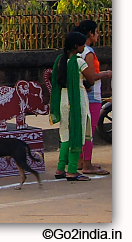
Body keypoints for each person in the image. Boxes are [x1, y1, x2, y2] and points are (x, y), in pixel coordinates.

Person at [50, 31, 97, 181]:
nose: (84, 47)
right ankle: (72, 170)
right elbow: (91, 79)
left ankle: (60, 168)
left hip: (64, 100)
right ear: (77, 46)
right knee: (77, 134)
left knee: (65, 136)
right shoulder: (78, 61)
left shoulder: (59, 61)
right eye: (83, 44)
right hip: (76, 101)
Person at [74, 20, 112, 175]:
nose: (98, 34)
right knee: (89, 130)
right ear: (90, 33)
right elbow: (92, 76)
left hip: (80, 94)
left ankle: (80, 160)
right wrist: (106, 73)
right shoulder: (88, 52)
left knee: (81, 129)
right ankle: (87, 164)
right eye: (96, 31)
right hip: (92, 95)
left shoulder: (76, 50)